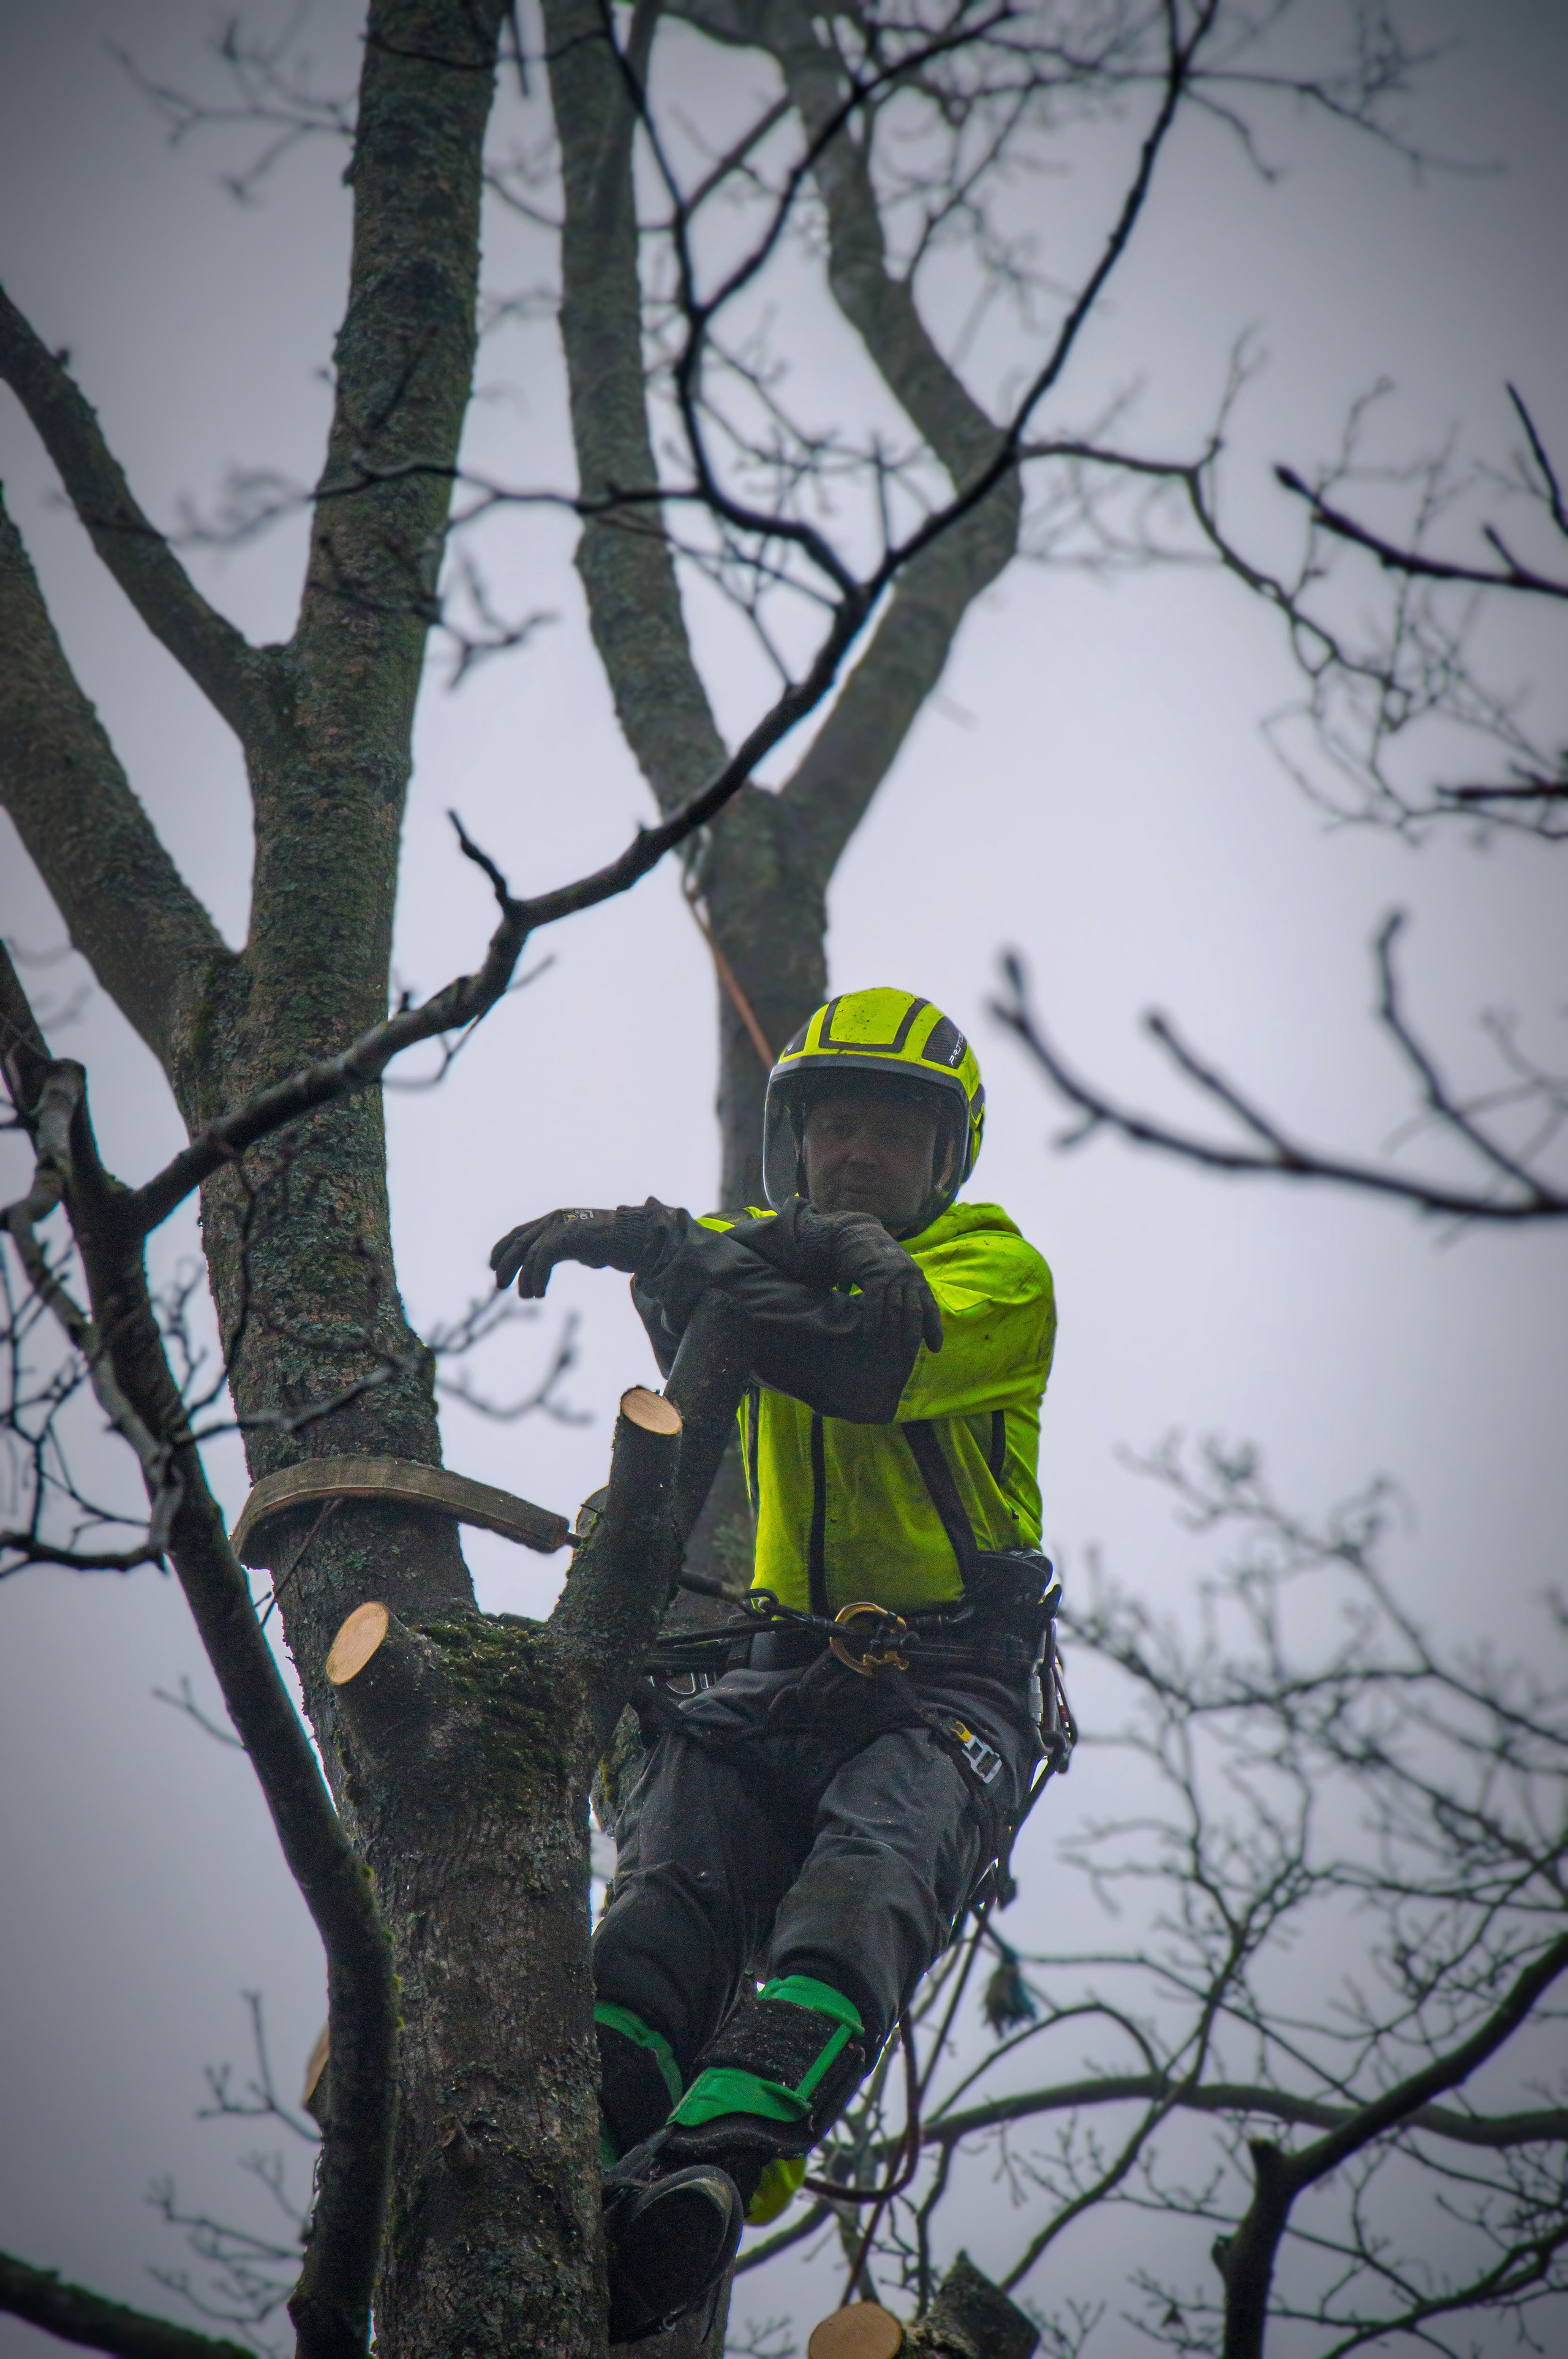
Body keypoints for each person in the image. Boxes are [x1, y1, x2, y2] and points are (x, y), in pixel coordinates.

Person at [491, 987, 1058, 2342]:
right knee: (660, 1916)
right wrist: (660, 1247)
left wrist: (712, 1261)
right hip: (773, 1671)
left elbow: (863, 1354)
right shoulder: (773, 1252)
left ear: (945, 1159)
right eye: (835, 1127)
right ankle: (575, 2134)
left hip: (949, 1683)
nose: (856, 1153)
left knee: (859, 1894)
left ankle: (715, 2166)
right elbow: (706, 1305)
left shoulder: (996, 1270)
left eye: (891, 1134)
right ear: (793, 1142)